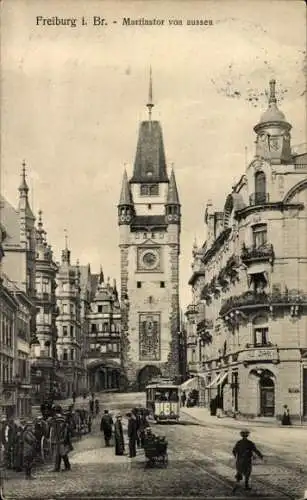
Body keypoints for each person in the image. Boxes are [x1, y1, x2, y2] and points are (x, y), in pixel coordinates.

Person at [53, 406, 72, 472]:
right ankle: (60, 467)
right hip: (62, 438)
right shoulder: (63, 418)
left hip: (59, 438)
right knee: (61, 453)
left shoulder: (56, 419)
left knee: (61, 453)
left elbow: (56, 430)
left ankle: (65, 467)